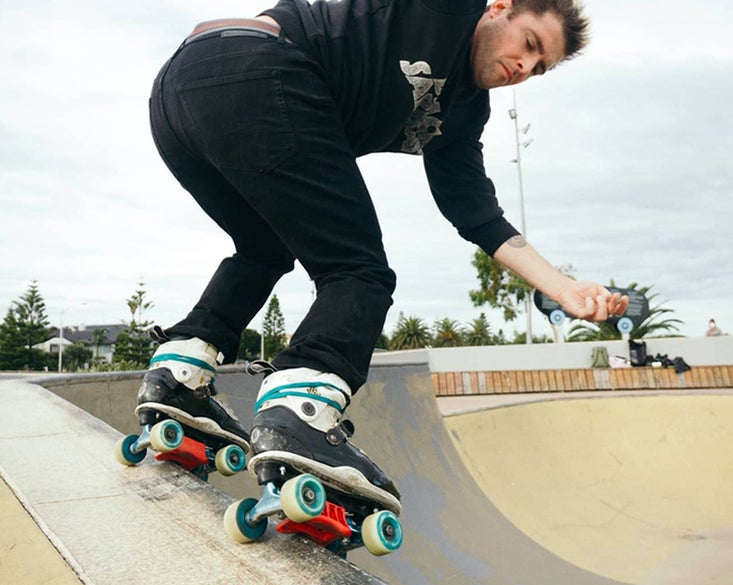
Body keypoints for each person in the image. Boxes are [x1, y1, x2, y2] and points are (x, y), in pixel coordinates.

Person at [139, 0, 629, 500]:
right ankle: (302, 410)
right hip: (251, 64)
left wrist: (564, 288)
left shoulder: (461, 116)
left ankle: (180, 372)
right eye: (528, 44)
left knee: (265, 248)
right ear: (499, 8)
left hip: (183, 97)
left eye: (538, 68)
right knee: (358, 270)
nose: (524, 68)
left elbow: (476, 213)